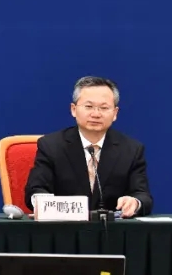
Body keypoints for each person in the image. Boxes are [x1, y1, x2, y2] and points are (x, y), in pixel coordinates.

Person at [24, 76, 152, 217]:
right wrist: (45, 205)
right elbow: (36, 190)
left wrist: (135, 202)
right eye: (89, 106)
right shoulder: (51, 146)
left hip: (111, 228)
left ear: (115, 113)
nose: (96, 114)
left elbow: (143, 195)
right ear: (73, 109)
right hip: (64, 226)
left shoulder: (131, 150)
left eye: (104, 108)